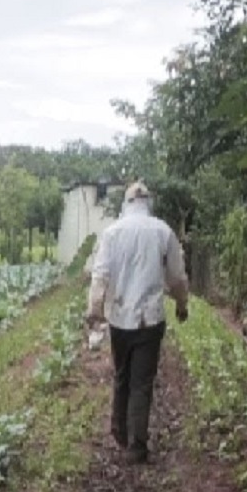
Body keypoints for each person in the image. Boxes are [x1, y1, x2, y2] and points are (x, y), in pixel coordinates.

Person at [85, 181, 190, 463]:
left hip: (119, 319)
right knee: (141, 382)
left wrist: (94, 310)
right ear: (148, 202)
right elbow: (177, 277)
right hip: (150, 319)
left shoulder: (112, 232)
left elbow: (100, 275)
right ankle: (136, 445)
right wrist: (182, 304)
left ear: (127, 202)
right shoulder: (162, 231)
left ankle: (119, 430)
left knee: (122, 375)